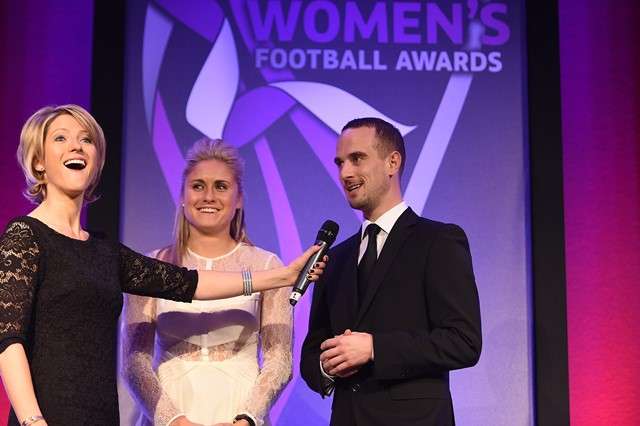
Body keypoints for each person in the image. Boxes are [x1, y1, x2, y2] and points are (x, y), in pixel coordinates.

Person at [0, 105, 324, 426]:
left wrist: (283, 275)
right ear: (38, 162)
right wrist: (32, 420)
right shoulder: (25, 236)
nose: (76, 146)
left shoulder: (104, 251)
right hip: (46, 414)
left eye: (86, 139)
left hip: (98, 414)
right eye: (60, 138)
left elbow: (189, 284)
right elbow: (8, 339)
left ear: (96, 161)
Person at [300, 117, 482, 425]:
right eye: (340, 162)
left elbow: (463, 342)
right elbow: (312, 353)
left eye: (357, 159)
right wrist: (326, 365)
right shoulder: (336, 257)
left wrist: (374, 348)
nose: (345, 173)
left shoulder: (437, 241)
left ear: (392, 162)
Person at [121, 139, 292, 426]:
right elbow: (134, 361)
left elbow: (279, 359)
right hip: (169, 410)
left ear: (238, 198)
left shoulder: (267, 267)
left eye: (221, 186)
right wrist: (173, 420)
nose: (208, 196)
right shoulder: (151, 266)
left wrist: (247, 418)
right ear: (183, 196)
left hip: (239, 410)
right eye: (198, 186)